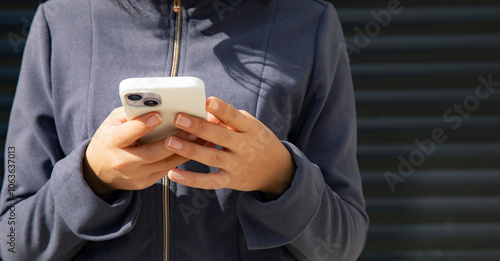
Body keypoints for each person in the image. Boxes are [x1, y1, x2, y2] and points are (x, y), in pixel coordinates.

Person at [0, 0, 368, 260]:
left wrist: (280, 176)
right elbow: (13, 238)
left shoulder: (309, 22)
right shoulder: (59, 22)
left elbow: (344, 245)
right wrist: (91, 177)